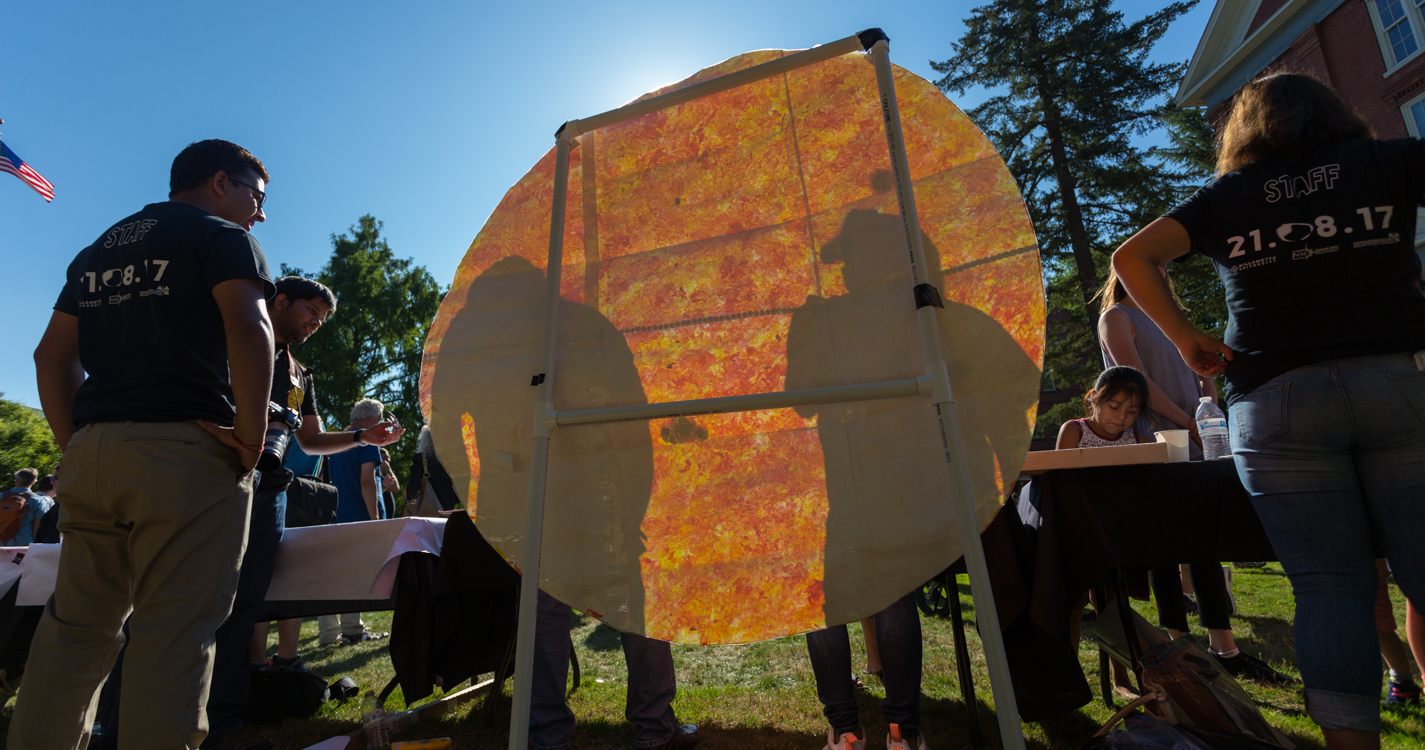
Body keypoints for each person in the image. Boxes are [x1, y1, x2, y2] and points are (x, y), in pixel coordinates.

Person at [1113, 72, 1425, 749]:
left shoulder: (1229, 197)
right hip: (1399, 382)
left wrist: (1186, 336)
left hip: (1275, 403)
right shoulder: (1387, 160)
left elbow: (1131, 257)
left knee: (1326, 591)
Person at [18, 139, 275, 750]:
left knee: (76, 630)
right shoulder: (221, 237)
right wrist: (250, 438)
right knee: (175, 635)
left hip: (95, 455)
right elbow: (250, 326)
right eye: (256, 196)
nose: (260, 213)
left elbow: (50, 355)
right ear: (219, 182)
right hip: (187, 454)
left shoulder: (97, 250)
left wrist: (75, 445)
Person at [203, 276, 403, 746]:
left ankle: (227, 723)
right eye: (311, 311)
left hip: (271, 492)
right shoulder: (229, 338)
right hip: (217, 481)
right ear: (281, 300)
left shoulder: (300, 373)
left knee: (247, 605)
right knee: (201, 601)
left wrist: (361, 437)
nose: (316, 322)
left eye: (323, 318)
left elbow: (310, 440)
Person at [1096, 270, 1295, 686]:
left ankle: (1226, 650)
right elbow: (1138, 382)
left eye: (1165, 270)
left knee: (1205, 542)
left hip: (1198, 436)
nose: (1162, 276)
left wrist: (1206, 380)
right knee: (1167, 548)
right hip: (1157, 438)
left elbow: (1204, 385)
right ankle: (1180, 647)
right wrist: (1187, 421)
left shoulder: (1173, 322)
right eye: (1152, 269)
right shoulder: (1117, 316)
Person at [317, 397, 395, 646]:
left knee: (330, 576)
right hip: (359, 518)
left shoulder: (336, 441)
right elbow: (367, 481)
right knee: (353, 576)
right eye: (380, 421)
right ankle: (351, 630)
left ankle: (328, 634)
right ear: (371, 420)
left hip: (333, 515)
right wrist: (374, 521)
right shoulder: (368, 440)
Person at [1, 468, 54, 546]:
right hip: (22, 546)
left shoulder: (1, 497)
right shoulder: (37, 500)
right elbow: (38, 528)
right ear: (34, 482)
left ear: (16, 480)